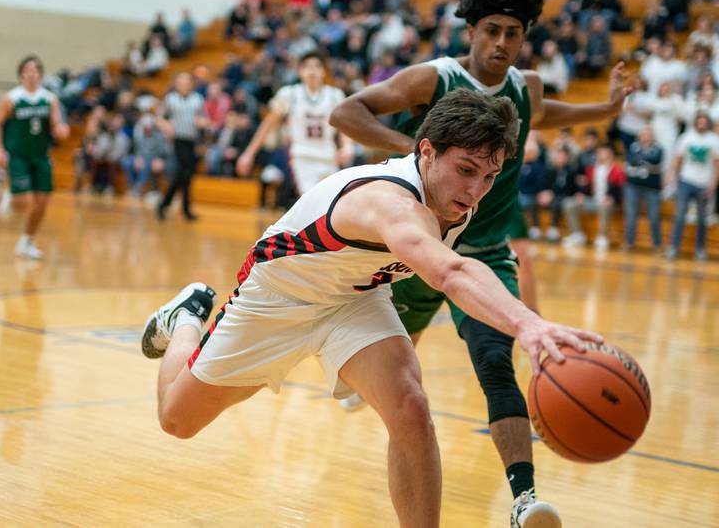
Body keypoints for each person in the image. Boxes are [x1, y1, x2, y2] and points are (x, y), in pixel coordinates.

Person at [141, 89, 603, 528]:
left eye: (488, 177)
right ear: (426, 152)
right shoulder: (390, 203)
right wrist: (530, 326)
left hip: (356, 297)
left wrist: (524, 320)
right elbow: (451, 274)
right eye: (465, 169)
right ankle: (185, 318)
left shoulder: (456, 199)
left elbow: (462, 264)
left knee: (410, 405)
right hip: (278, 296)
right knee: (177, 420)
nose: (476, 189)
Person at [328, 0, 633, 526]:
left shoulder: (526, 88)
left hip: (487, 255)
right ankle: (363, 375)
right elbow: (345, 112)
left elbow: (546, 114)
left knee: (497, 366)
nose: (501, 43)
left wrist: (605, 110)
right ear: (470, 30)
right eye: (491, 30)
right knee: (387, 379)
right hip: (418, 253)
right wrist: (421, 150)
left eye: (513, 33)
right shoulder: (432, 78)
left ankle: (524, 500)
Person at [236, 52, 354, 197]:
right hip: (302, 157)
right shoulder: (289, 94)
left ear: (324, 71)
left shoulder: (335, 95)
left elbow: (344, 126)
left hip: (328, 156)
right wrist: (249, 153)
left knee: (331, 205)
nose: (312, 70)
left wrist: (348, 146)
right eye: (307, 66)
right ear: (300, 71)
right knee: (311, 203)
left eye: (317, 66)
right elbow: (267, 125)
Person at [0, 55, 69, 260]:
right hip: (18, 156)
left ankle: (27, 241)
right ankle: (11, 195)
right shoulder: (12, 98)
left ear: (41, 75)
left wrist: (61, 130)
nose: (31, 73)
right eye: (28, 70)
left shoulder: (50, 98)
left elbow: (56, 124)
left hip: (41, 156)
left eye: (35, 70)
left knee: (42, 202)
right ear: (21, 74)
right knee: (22, 201)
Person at [665, 112, 719, 261]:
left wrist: (713, 184)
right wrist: (671, 177)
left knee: (702, 219)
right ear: (695, 123)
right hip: (686, 182)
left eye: (704, 122)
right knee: (680, 216)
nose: (701, 124)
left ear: (707, 123)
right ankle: (673, 248)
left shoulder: (714, 140)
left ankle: (700, 250)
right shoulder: (686, 137)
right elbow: (677, 159)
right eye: (699, 122)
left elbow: (716, 165)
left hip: (704, 184)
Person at [157, 72, 206, 221]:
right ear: (176, 83)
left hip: (192, 140)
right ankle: (185, 210)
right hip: (177, 140)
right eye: (181, 81)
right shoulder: (170, 99)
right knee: (186, 173)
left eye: (186, 82)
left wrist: (202, 122)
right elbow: (159, 118)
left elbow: (203, 118)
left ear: (191, 84)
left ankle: (164, 205)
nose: (184, 84)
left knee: (184, 175)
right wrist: (165, 124)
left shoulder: (198, 99)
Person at [561, 144, 625, 251]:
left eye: (602, 152)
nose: (599, 154)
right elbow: (587, 188)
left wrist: (612, 198)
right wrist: (581, 194)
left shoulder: (617, 170)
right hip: (593, 200)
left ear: (610, 153)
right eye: (598, 152)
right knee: (569, 203)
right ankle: (577, 234)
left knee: (604, 206)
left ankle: (602, 236)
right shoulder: (591, 169)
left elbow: (620, 189)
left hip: (609, 202)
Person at [623, 125, 664, 251]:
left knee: (654, 216)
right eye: (644, 133)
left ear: (653, 136)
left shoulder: (658, 149)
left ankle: (657, 245)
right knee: (631, 215)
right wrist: (646, 165)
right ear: (639, 135)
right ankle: (629, 243)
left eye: (648, 133)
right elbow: (631, 161)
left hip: (652, 187)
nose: (646, 136)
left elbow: (655, 161)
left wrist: (640, 162)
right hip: (633, 185)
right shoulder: (633, 146)